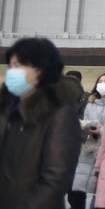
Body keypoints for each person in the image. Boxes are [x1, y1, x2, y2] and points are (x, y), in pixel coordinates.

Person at [0, 37, 82, 209]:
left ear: (40, 70)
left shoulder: (59, 113)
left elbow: (56, 179)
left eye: (19, 66)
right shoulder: (8, 108)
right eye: (10, 66)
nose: (12, 72)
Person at [70, 72, 105, 209]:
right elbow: (84, 121)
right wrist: (85, 127)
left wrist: (101, 131)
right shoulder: (91, 103)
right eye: (100, 81)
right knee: (80, 186)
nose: (102, 84)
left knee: (101, 190)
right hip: (89, 147)